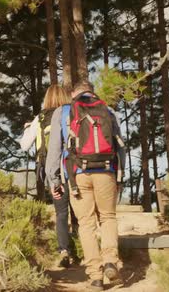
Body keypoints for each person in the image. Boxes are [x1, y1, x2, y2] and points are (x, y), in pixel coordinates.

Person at [45, 80, 126, 291]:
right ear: (92, 92)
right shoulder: (107, 109)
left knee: (86, 223)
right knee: (108, 217)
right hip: (106, 171)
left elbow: (54, 149)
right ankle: (110, 261)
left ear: (73, 94)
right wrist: (120, 175)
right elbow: (121, 146)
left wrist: (54, 180)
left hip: (77, 175)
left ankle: (95, 276)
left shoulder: (63, 112)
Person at [19, 85, 78, 268]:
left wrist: (28, 128)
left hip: (51, 170)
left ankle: (64, 250)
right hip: (73, 167)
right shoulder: (71, 114)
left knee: (61, 212)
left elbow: (24, 146)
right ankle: (81, 243)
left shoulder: (40, 118)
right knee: (78, 208)